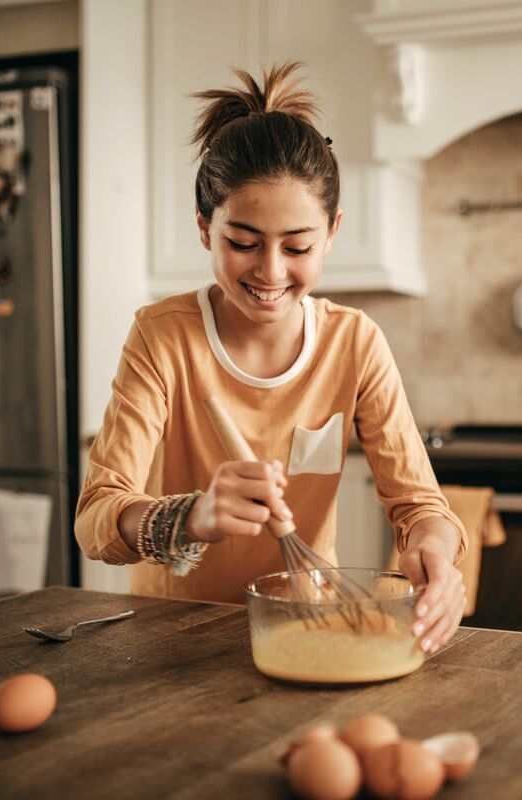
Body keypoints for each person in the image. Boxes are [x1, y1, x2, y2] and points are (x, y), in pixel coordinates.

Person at [76, 63, 467, 654]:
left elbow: (419, 504)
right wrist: (190, 518)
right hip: (172, 637)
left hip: (303, 628)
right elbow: (96, 518)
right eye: (243, 242)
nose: (270, 271)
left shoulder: (354, 343)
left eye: (299, 246)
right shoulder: (161, 338)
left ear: (331, 233)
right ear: (205, 227)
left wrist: (434, 550)